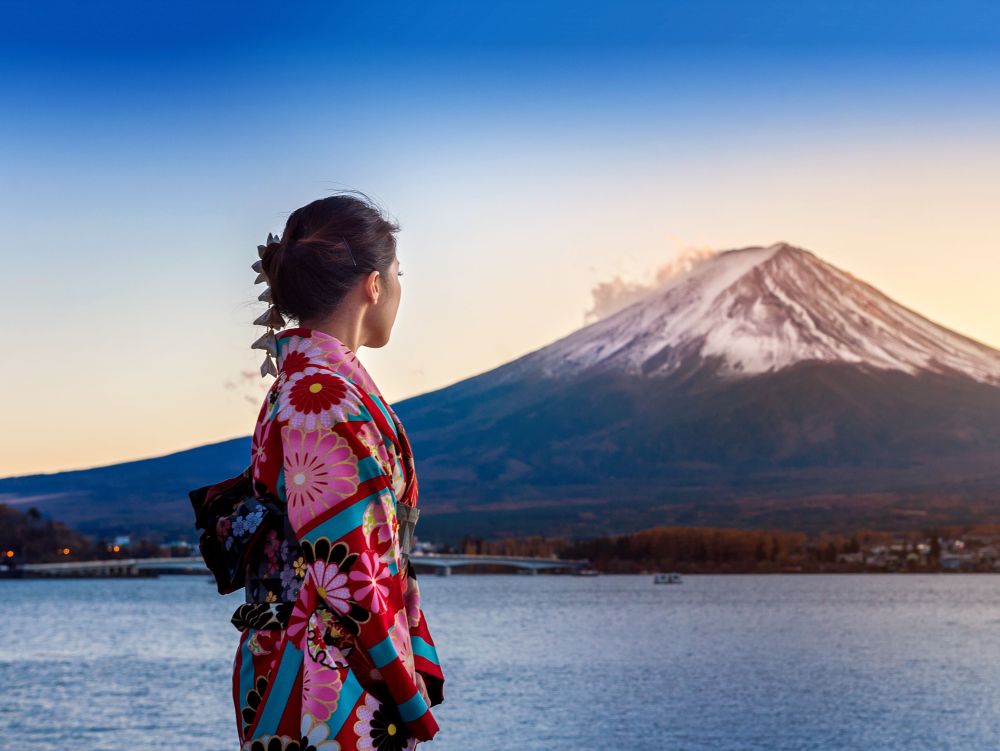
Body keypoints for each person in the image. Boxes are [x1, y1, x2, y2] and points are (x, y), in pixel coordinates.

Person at [228, 192, 445, 751]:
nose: (399, 290)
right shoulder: (321, 397)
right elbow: (349, 564)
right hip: (328, 671)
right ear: (374, 285)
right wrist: (403, 685)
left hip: (313, 653)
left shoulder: (308, 388)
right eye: (399, 274)